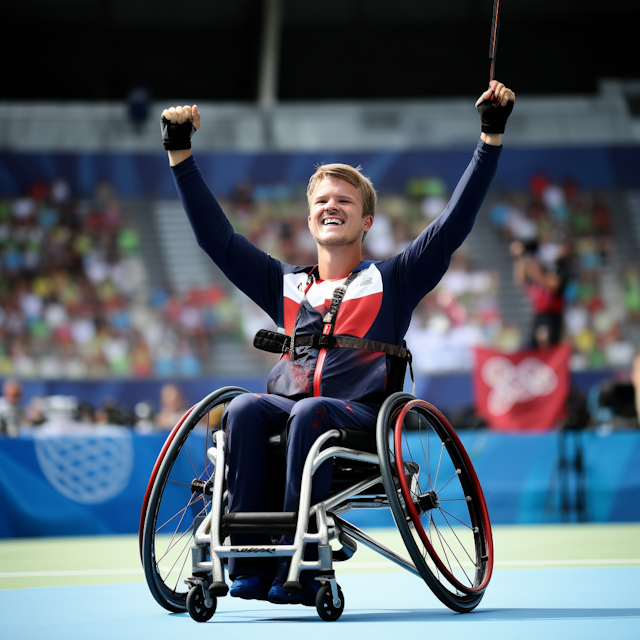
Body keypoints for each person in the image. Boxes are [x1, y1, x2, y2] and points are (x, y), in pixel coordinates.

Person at [161, 80, 515, 605]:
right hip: (295, 411)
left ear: (366, 221)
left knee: (309, 415)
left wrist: (489, 138)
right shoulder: (286, 285)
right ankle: (248, 568)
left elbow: (452, 226)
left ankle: (294, 562)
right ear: (309, 220)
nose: (332, 206)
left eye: (344, 200)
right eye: (322, 200)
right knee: (243, 410)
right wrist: (180, 153)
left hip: (360, 418)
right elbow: (220, 241)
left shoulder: (394, 279)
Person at [509, 236, 571, 349]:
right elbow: (521, 280)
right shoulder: (542, 263)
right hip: (539, 313)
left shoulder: (563, 266)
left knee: (547, 346)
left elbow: (553, 285)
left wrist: (535, 272)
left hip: (552, 314)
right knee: (533, 347)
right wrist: (519, 257)